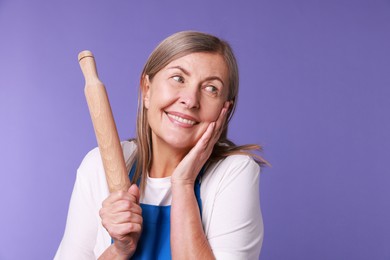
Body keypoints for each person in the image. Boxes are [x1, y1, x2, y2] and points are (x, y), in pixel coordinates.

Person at [55, 31, 267, 260]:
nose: (190, 100)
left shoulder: (233, 173)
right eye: (178, 78)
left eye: (210, 88)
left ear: (224, 110)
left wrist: (183, 183)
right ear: (147, 89)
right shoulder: (97, 166)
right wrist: (119, 250)